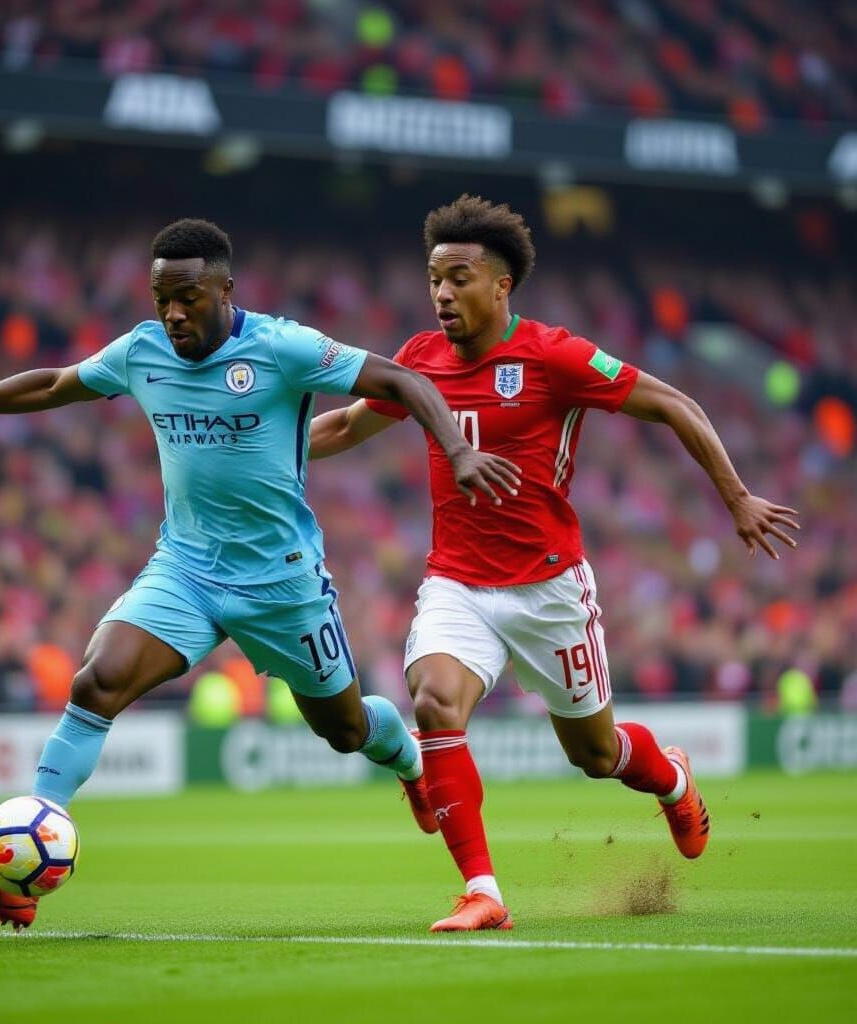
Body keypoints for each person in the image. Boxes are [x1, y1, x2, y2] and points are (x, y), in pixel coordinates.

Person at [0, 217, 519, 930]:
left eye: (188, 297)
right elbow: (54, 384)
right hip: (184, 569)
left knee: (343, 729)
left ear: (224, 289)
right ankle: (16, 875)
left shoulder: (281, 347)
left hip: (282, 584)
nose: (173, 313)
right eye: (162, 300)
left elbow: (401, 378)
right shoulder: (142, 350)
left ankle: (408, 765)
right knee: (97, 681)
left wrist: (458, 450)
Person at [308, 195, 800, 932]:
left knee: (596, 755)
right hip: (457, 583)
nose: (442, 293)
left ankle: (671, 778)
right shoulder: (419, 359)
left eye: (460, 278)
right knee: (434, 703)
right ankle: (483, 892)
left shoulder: (553, 356)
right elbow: (349, 423)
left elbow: (676, 404)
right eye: (434, 279)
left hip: (549, 591)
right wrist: (254, 450)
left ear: (501, 285)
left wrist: (736, 497)